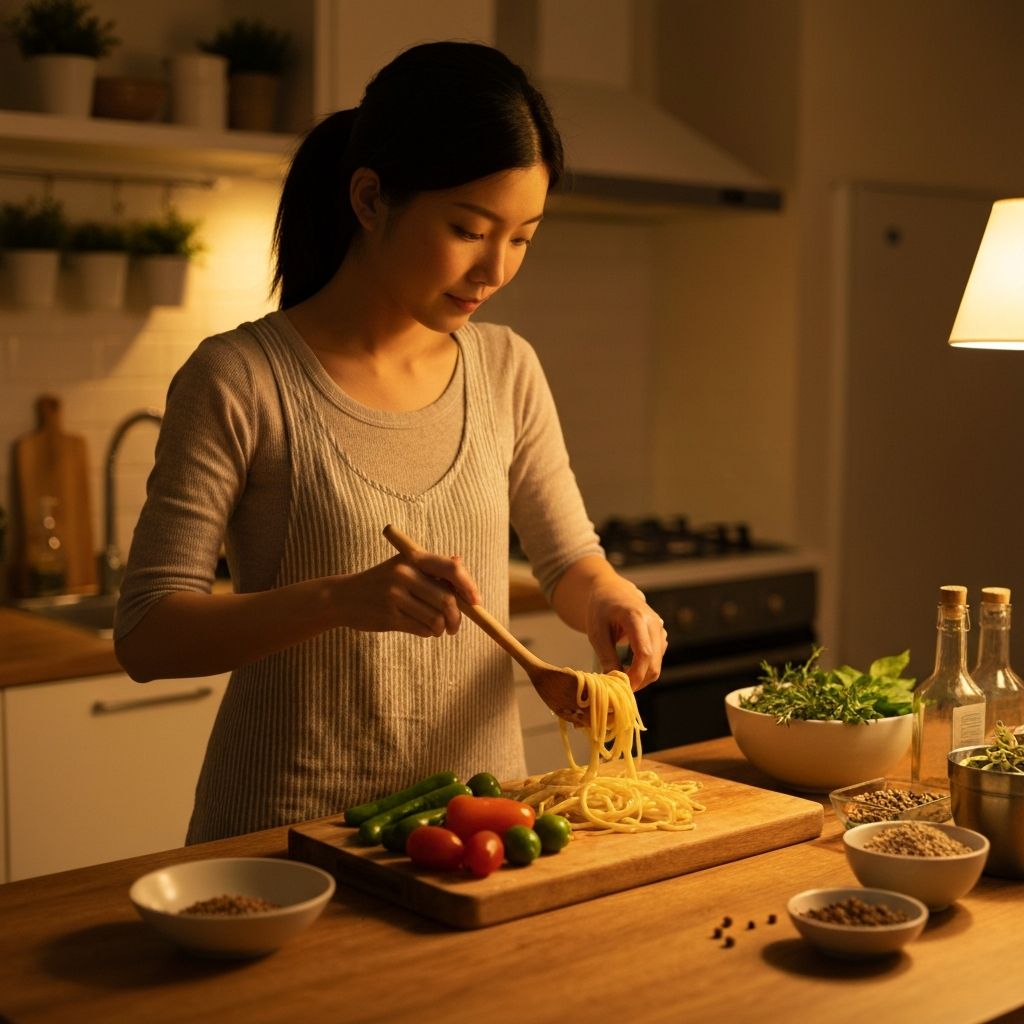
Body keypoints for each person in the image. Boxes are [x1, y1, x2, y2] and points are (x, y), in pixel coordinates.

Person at [114, 40, 668, 844]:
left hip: (477, 829)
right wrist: (342, 598)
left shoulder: (507, 367)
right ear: (371, 199)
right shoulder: (239, 378)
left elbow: (568, 560)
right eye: (469, 229)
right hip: (287, 837)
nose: (495, 269)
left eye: (522, 237)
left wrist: (612, 598)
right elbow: (146, 635)